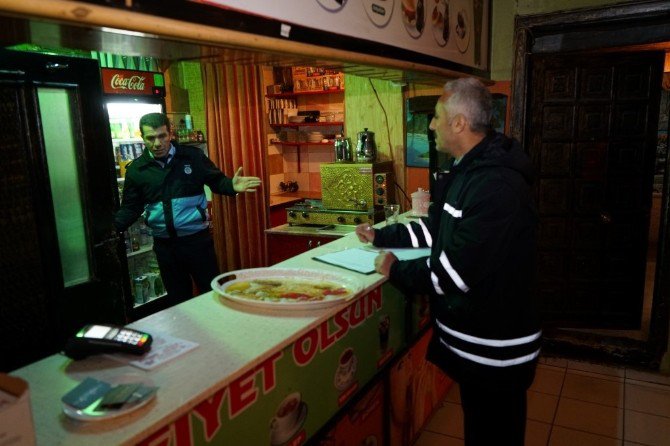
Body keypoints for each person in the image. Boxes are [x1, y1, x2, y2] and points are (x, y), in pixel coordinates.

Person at [356, 78, 540, 445]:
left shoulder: (494, 185)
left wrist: (396, 269)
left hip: (495, 351)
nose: (430, 124)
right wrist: (382, 236)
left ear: (459, 123)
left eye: (437, 116)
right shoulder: (468, 170)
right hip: (482, 348)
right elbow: (438, 229)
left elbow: (453, 274)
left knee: (493, 434)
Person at [115, 112, 261, 305]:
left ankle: (219, 334)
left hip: (197, 242)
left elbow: (217, 181)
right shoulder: (137, 170)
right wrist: (112, 228)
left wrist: (231, 186)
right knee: (178, 301)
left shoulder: (193, 157)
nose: (157, 143)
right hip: (165, 246)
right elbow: (131, 208)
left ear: (170, 134)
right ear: (143, 138)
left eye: (162, 136)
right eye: (151, 138)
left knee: (211, 295)